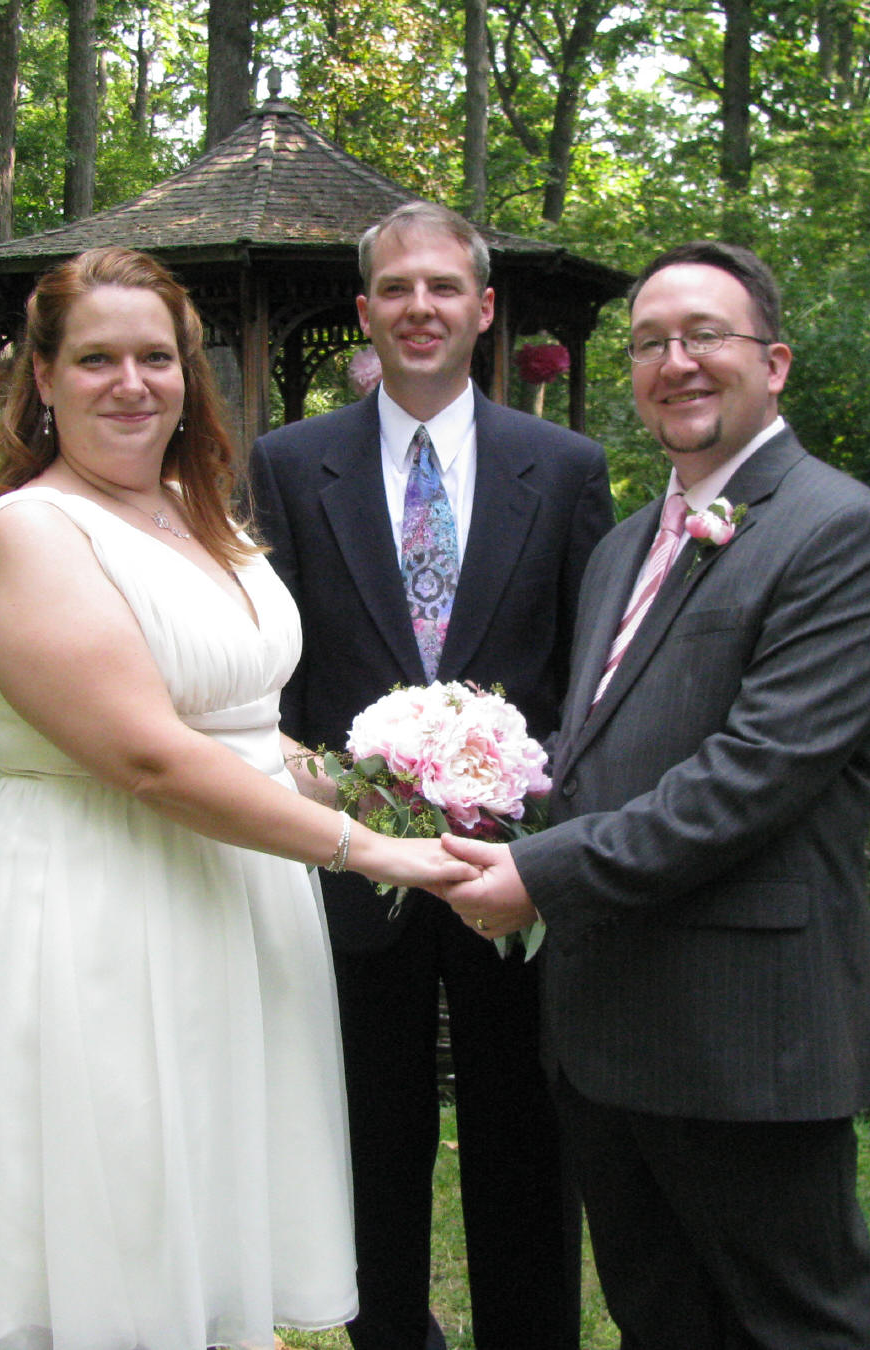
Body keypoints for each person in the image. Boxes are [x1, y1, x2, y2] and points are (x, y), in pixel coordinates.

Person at [0, 246, 473, 1350]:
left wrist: (398, 777)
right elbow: (152, 760)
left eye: (156, 357)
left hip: (222, 897)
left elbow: (242, 730)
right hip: (96, 904)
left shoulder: (190, 508)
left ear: (189, 374)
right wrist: (371, 850)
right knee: (120, 1224)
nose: (132, 383)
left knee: (208, 1211)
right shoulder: (34, 531)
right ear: (46, 379)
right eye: (98, 358)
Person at [439, 240, 870, 1350]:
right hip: (608, 1031)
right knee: (663, 1321)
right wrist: (455, 786)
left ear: (776, 361)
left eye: (706, 335)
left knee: (795, 1324)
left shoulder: (839, 532)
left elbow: (750, 780)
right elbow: (597, 750)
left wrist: (538, 875)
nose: (676, 362)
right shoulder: (620, 547)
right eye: (653, 342)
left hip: (747, 1034)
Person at [248, 202, 611, 1350]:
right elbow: (281, 684)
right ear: (365, 310)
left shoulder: (563, 469)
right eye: (396, 289)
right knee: (366, 1135)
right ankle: (386, 1334)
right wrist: (337, 814)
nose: (420, 308)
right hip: (354, 871)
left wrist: (553, 847)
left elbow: (588, 679)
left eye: (444, 288)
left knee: (526, 1136)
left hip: (514, 873)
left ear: (484, 309)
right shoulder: (289, 464)